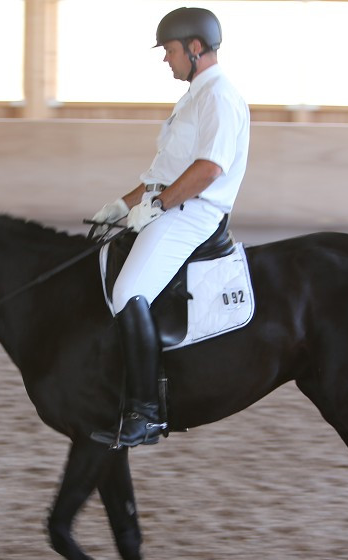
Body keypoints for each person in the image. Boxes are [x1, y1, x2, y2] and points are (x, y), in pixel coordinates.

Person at [90, 6, 251, 449]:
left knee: (127, 293)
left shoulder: (219, 96)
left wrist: (156, 205)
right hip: (168, 207)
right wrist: (119, 207)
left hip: (193, 214)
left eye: (170, 50)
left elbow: (208, 169)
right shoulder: (195, 97)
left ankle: (145, 412)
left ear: (195, 48)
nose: (166, 59)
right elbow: (162, 172)